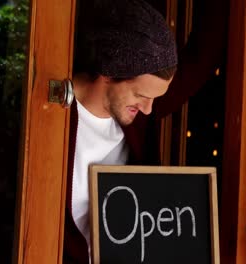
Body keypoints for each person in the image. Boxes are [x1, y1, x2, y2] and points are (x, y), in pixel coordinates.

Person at [63, 0, 178, 263]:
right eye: (140, 95)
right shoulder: (48, 116)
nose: (149, 110)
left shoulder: (138, 121)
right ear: (108, 73)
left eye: (155, 100)